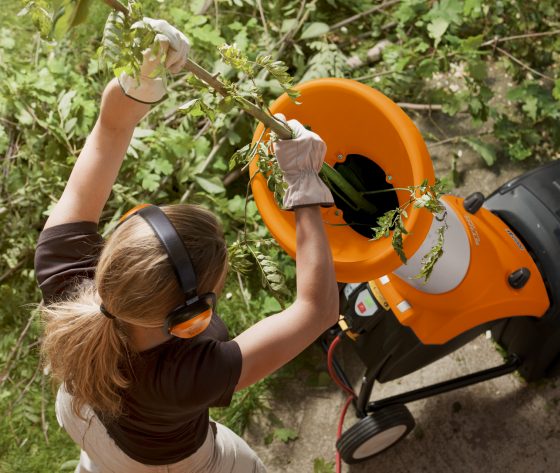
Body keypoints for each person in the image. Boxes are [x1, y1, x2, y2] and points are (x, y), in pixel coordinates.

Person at [34, 18, 338, 473]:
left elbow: (109, 131)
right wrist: (305, 185)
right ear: (191, 317)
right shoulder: (187, 375)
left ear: (116, 253)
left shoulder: (65, 273)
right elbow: (318, 311)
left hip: (82, 417)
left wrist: (140, 78)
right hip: (159, 461)